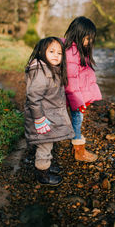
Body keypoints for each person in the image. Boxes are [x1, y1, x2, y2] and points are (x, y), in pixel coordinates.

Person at [24, 37, 75, 186]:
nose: (56, 55)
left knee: (48, 143)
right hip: (42, 118)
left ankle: (46, 166)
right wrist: (39, 119)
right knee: (44, 145)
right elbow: (33, 98)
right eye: (51, 51)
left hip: (48, 115)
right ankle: (43, 174)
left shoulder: (51, 70)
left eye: (59, 53)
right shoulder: (42, 72)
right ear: (41, 52)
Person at [64, 16, 102, 162]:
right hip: (76, 98)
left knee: (77, 119)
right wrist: (78, 102)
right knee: (77, 119)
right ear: (77, 35)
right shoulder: (71, 53)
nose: (89, 42)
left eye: (91, 39)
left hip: (79, 97)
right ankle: (78, 150)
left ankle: (76, 145)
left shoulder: (79, 50)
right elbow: (71, 82)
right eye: (87, 38)